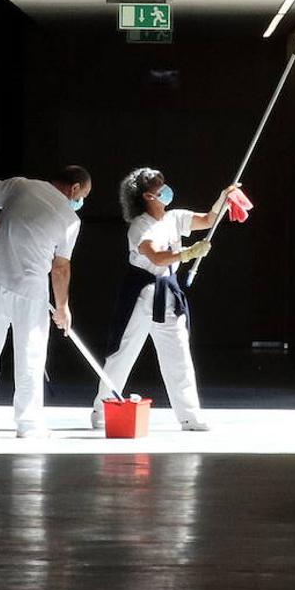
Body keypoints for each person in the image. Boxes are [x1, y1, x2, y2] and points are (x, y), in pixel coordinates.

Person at [90, 169, 236, 432]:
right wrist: (188, 253)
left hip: (168, 295)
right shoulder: (140, 226)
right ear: (148, 196)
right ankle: (102, 410)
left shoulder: (175, 217)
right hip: (140, 295)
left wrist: (223, 200)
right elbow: (156, 257)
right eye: (160, 188)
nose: (167, 190)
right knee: (123, 354)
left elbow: (207, 220)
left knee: (178, 355)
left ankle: (189, 416)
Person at [0, 165, 91, 438]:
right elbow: (60, 268)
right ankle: (28, 423)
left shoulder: (20, 185)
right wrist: (62, 308)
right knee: (31, 355)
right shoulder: (70, 219)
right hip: (31, 288)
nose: (80, 202)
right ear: (75, 189)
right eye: (83, 195)